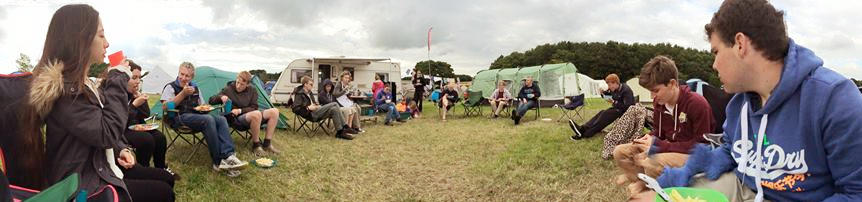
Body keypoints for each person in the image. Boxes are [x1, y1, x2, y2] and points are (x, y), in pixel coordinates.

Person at [638, 0, 862, 201]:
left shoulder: (835, 99)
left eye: (715, 52)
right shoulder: (739, 104)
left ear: (740, 44)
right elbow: (730, 150)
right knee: (655, 198)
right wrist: (687, 172)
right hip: (747, 188)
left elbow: (856, 193)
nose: (713, 65)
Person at [17, 4, 174, 201]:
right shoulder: (66, 91)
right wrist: (117, 77)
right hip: (80, 187)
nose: (107, 43)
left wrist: (120, 149)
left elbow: (96, 132)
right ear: (81, 39)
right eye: (101, 35)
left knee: (165, 179)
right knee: (164, 192)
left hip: (99, 167)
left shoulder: (83, 85)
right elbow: (105, 132)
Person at [612, 55, 714, 197]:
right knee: (620, 152)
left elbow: (702, 145)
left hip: (692, 155)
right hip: (665, 148)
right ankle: (641, 180)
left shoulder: (697, 104)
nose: (652, 96)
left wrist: (659, 146)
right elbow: (659, 133)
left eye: (656, 90)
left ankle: (646, 188)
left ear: (672, 84)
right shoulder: (659, 103)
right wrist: (647, 138)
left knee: (652, 161)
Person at [160, 62, 247, 177]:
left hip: (196, 116)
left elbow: (203, 105)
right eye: (182, 74)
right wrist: (183, 94)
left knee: (221, 119)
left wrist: (204, 108)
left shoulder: (195, 87)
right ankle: (218, 161)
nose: (184, 78)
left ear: (192, 77)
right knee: (208, 120)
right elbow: (166, 107)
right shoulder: (170, 87)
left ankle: (229, 155)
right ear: (178, 72)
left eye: (187, 76)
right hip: (178, 117)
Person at [208, 71, 281, 157]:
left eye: (242, 84)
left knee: (274, 111)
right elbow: (211, 101)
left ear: (247, 84)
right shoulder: (228, 89)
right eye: (237, 82)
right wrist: (220, 97)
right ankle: (256, 145)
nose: (238, 86)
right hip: (236, 119)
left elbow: (254, 107)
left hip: (247, 113)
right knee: (256, 114)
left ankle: (267, 144)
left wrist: (240, 110)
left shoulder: (252, 90)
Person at [124, 60, 174, 173]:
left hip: (137, 126)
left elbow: (146, 114)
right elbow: (119, 119)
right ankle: (143, 171)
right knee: (146, 140)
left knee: (160, 137)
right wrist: (134, 105)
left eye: (139, 78)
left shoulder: (134, 94)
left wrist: (141, 101)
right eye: (134, 77)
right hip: (123, 130)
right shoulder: (119, 94)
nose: (137, 82)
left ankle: (161, 168)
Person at [570, 74, 635, 139]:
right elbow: (609, 97)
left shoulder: (626, 90)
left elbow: (628, 106)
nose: (609, 87)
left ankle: (586, 133)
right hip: (617, 109)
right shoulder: (614, 89)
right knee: (602, 112)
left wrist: (614, 102)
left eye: (609, 85)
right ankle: (583, 128)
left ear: (615, 83)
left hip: (626, 112)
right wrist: (602, 94)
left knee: (605, 115)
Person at [292, 76, 357, 139]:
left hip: (316, 111)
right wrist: (308, 108)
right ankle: (345, 126)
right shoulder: (299, 94)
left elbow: (312, 103)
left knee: (334, 109)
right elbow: (295, 109)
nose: (312, 86)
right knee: (334, 104)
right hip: (311, 114)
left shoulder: (309, 92)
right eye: (311, 84)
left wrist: (316, 104)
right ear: (305, 84)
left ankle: (340, 132)